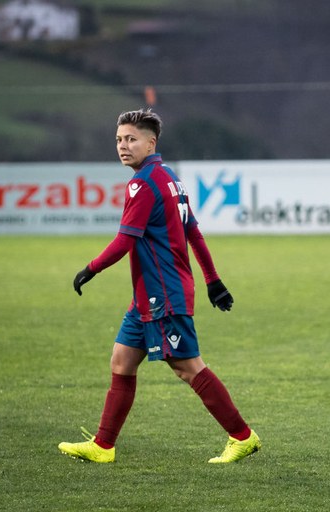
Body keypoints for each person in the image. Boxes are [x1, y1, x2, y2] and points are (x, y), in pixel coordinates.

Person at [58, 108, 260, 464]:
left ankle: (242, 436)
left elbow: (124, 241)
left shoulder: (142, 183)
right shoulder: (169, 177)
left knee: (187, 367)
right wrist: (212, 280)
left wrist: (90, 269)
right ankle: (104, 446)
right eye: (119, 139)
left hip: (163, 294)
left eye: (131, 139)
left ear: (150, 143)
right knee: (121, 362)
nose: (123, 146)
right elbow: (192, 230)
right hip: (147, 297)